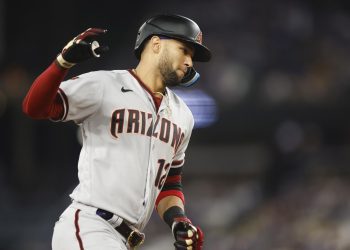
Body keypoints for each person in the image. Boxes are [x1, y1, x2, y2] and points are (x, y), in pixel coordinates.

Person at [22, 14, 211, 250]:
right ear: (155, 43)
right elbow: (35, 107)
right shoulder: (105, 85)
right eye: (184, 49)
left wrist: (178, 221)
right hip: (91, 225)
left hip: (125, 239)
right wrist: (62, 63)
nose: (189, 62)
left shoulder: (184, 116)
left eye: (192, 56)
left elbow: (170, 184)